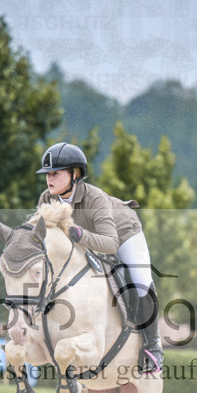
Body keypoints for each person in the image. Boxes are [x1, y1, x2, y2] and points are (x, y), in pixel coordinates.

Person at [35, 142, 162, 373]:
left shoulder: (95, 198)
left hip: (123, 233)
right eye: (47, 174)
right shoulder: (46, 199)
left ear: (74, 174)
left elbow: (111, 243)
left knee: (141, 279)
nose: (49, 179)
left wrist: (79, 235)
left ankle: (153, 347)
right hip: (83, 241)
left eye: (55, 173)